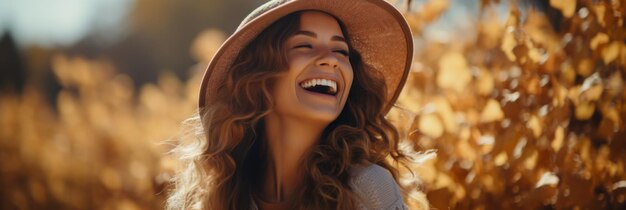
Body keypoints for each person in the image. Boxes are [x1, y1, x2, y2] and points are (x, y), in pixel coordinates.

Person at [167, 0, 428, 209]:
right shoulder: (220, 197)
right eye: (305, 45)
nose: (331, 60)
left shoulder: (368, 188)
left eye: (341, 51)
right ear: (258, 78)